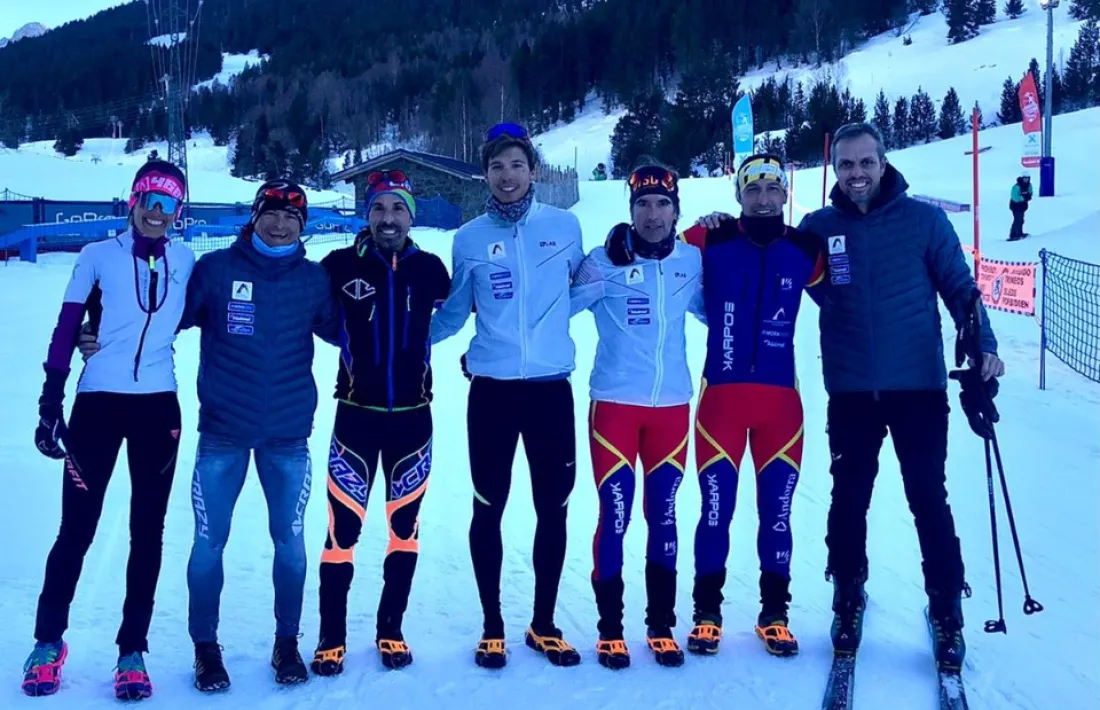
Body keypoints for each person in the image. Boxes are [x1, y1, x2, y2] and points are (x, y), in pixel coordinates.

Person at [796, 122, 1003, 671]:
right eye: (847, 165)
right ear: (835, 169)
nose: (857, 174)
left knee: (927, 499)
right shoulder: (817, 227)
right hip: (851, 389)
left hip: (917, 387)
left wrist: (982, 346)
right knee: (848, 498)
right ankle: (847, 594)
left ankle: (945, 609)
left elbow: (962, 290)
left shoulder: (923, 221)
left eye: (867, 162)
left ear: (884, 163)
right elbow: (770, 260)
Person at [606, 154, 827, 658]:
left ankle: (775, 614)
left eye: (773, 189)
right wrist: (621, 234)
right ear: (739, 195)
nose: (764, 198)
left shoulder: (806, 250)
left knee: (777, 514)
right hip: (719, 406)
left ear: (785, 194)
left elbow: (847, 297)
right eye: (754, 190)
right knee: (715, 511)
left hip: (781, 410)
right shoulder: (709, 240)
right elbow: (653, 246)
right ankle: (708, 613)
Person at [24, 160, 195, 700]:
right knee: (75, 530)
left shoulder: (187, 260)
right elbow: (65, 328)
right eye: (149, 199)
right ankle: (48, 642)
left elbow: (208, 307)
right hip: (97, 406)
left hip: (158, 409)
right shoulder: (96, 257)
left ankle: (132, 651)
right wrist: (51, 401)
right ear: (132, 201)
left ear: (178, 213)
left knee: (148, 533)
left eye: (168, 205)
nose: (156, 212)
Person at [431, 122, 586, 669]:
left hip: (549, 392)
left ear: (533, 170)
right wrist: (405, 335)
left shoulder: (565, 227)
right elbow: (454, 310)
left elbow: (584, 287)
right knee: (487, 505)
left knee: (554, 508)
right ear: (486, 174)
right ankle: (492, 625)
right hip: (493, 392)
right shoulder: (468, 238)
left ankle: (543, 623)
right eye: (497, 166)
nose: (507, 175)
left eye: (517, 165)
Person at [311, 171, 451, 675]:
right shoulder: (339, 265)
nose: (387, 219)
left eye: (397, 209)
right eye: (378, 209)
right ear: (366, 215)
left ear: (411, 215)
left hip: (413, 421)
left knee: (404, 528)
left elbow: (470, 311)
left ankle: (390, 628)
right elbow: (297, 305)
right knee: (341, 530)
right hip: (356, 419)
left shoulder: (432, 269)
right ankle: (331, 636)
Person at [570, 161, 703, 670]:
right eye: (643, 205)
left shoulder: (691, 261)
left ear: (675, 211)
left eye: (662, 204)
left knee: (663, 515)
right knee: (617, 516)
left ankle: (661, 624)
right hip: (615, 408)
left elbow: (720, 308)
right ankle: (609, 628)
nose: (653, 214)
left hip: (671, 407)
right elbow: (554, 308)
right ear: (630, 211)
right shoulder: (603, 261)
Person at [1008, 171, 1033, 241]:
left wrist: (1028, 196)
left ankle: (1019, 233)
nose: (1026, 180)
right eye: (1025, 178)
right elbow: (1014, 197)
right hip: (1015, 206)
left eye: (1027, 178)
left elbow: (1030, 192)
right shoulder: (1016, 186)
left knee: (1021, 219)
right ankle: (1013, 235)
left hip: (1022, 206)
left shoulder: (1029, 185)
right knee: (1018, 219)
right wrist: (1023, 198)